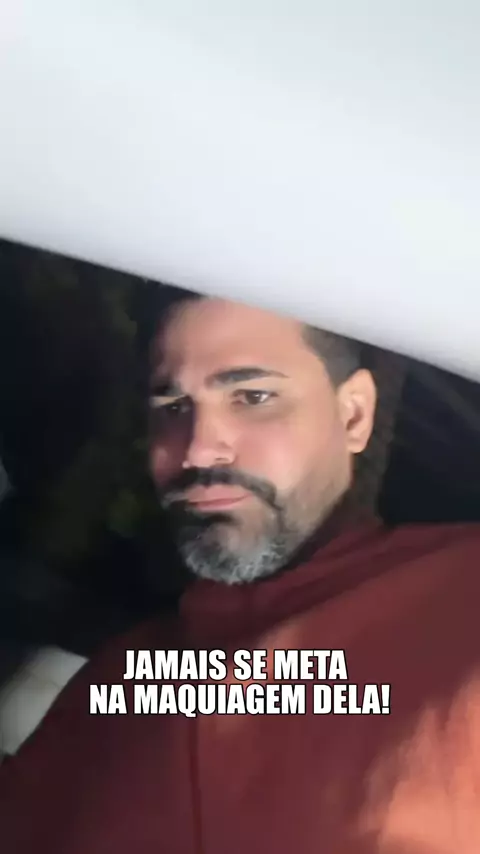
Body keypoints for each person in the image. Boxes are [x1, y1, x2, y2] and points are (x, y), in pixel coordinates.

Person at [1, 289, 480, 854]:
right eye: (172, 407)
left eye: (253, 396)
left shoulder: (461, 595)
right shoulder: (120, 677)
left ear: (353, 415)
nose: (197, 450)